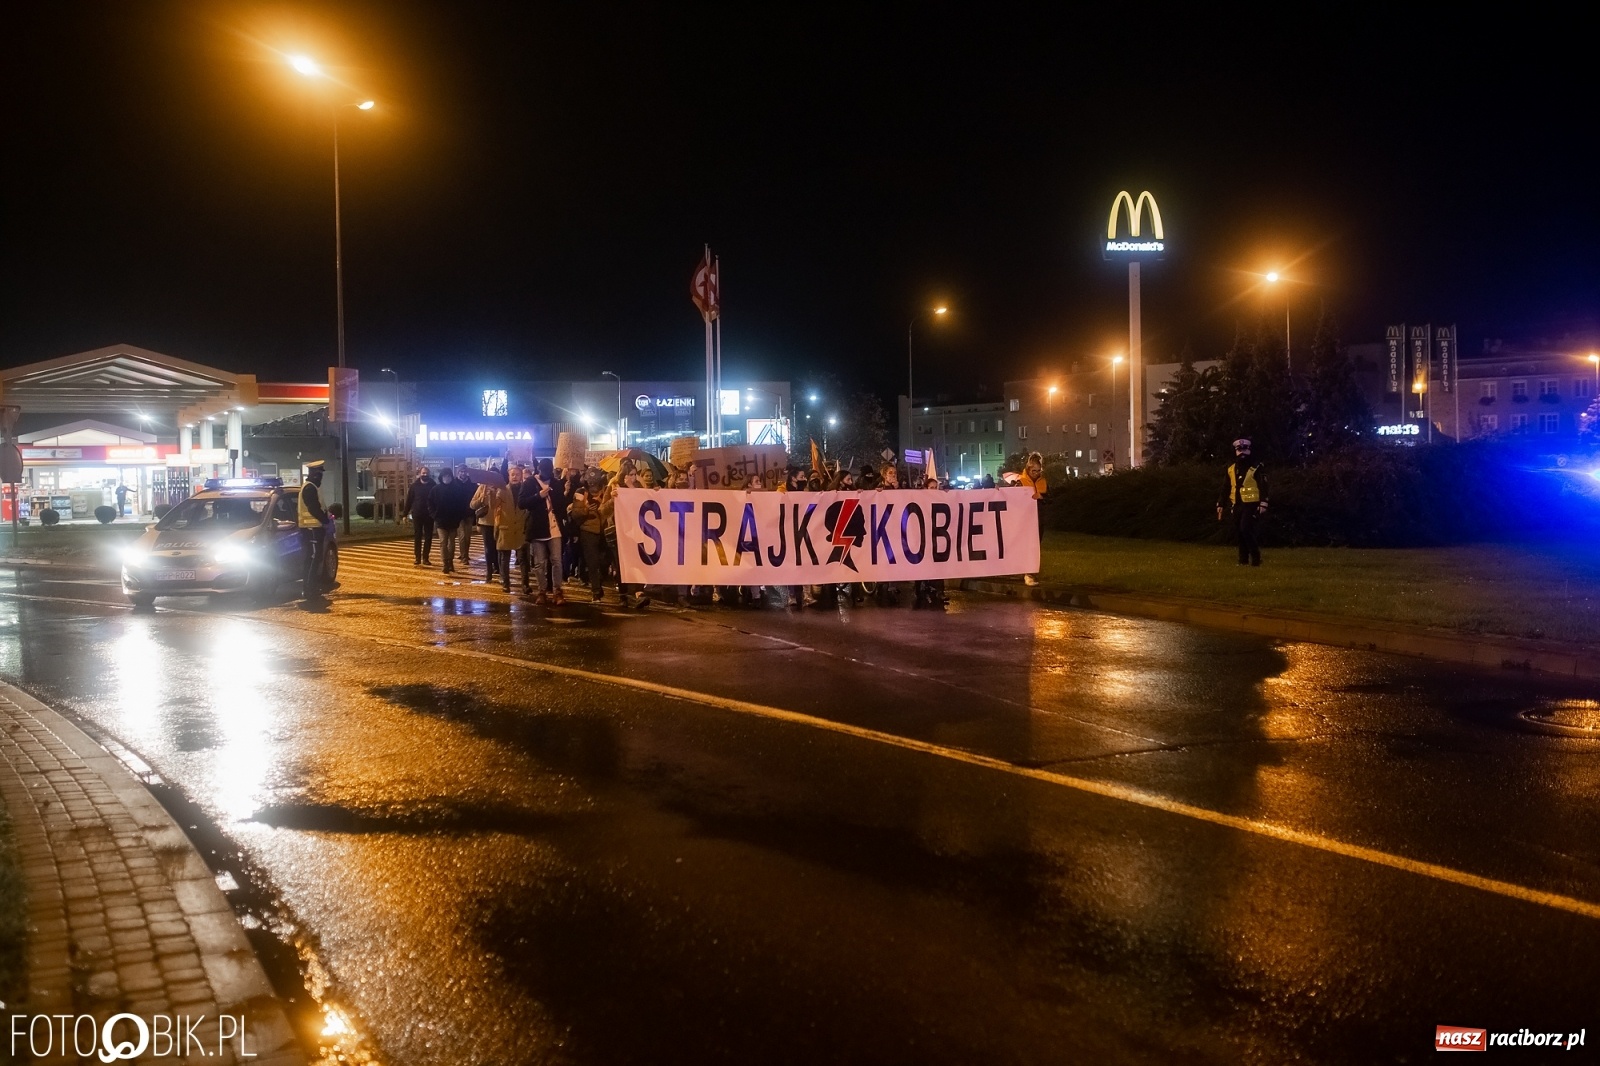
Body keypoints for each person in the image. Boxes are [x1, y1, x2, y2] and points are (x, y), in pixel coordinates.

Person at [1217, 437, 1269, 566]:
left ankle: (1256, 557)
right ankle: (1243, 560)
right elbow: (1226, 487)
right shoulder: (1231, 469)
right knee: (1239, 532)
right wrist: (1221, 503)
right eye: (1239, 450)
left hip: (1252, 504)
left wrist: (1263, 502)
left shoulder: (1256, 467)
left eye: (1244, 450)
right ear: (1235, 451)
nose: (1242, 453)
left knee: (1246, 529)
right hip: (1237, 504)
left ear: (1249, 450)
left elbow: (1263, 486)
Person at [430, 468, 474, 576]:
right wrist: (434, 515)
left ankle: (450, 561)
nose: (447, 478)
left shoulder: (456, 489)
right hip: (440, 521)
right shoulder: (436, 489)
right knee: (443, 542)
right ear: (441, 477)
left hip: (453, 521)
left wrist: (458, 517)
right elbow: (430, 503)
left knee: (452, 542)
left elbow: (461, 504)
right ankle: (445, 563)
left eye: (448, 476)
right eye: (445, 476)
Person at [298, 460, 330, 599]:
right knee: (313, 559)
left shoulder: (312, 487)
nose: (320, 476)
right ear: (312, 474)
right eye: (318, 473)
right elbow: (314, 508)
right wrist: (325, 520)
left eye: (321, 473)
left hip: (313, 528)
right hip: (311, 528)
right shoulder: (310, 488)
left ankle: (310, 587)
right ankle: (310, 588)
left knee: (313, 558)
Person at [1020, 452, 1046, 586]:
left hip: (1039, 518)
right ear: (1028, 469)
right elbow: (1009, 498)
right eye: (1034, 470)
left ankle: (1030, 572)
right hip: (1025, 520)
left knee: (1036, 546)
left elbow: (1050, 497)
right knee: (1027, 546)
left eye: (1038, 470)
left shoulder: (1043, 481)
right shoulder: (1020, 481)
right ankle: (1027, 573)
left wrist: (1042, 497)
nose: (1036, 473)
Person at [403, 466, 437, 566]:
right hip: (417, 514)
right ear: (419, 473)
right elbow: (409, 500)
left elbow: (436, 500)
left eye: (426, 473)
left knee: (428, 537)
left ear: (429, 474)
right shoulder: (414, 486)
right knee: (417, 536)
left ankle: (426, 558)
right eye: (423, 473)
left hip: (429, 515)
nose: (425, 475)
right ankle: (417, 558)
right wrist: (405, 514)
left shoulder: (433, 485)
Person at [454, 466, 477, 570]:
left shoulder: (472, 485)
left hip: (469, 514)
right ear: (458, 473)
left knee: (467, 536)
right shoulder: (454, 484)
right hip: (458, 514)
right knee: (462, 535)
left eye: (464, 472)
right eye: (461, 472)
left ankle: (465, 553)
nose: (463, 474)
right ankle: (464, 556)